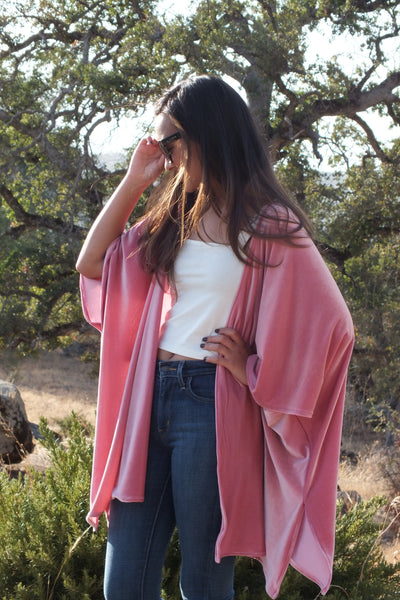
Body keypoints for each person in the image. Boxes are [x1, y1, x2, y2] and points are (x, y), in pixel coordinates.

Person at [76, 75, 354, 600]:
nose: (166, 155)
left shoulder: (269, 223)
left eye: (170, 142)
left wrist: (254, 364)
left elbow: (334, 323)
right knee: (123, 584)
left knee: (204, 582)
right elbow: (91, 262)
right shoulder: (175, 213)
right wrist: (136, 180)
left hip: (210, 402)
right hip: (148, 397)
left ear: (206, 133)